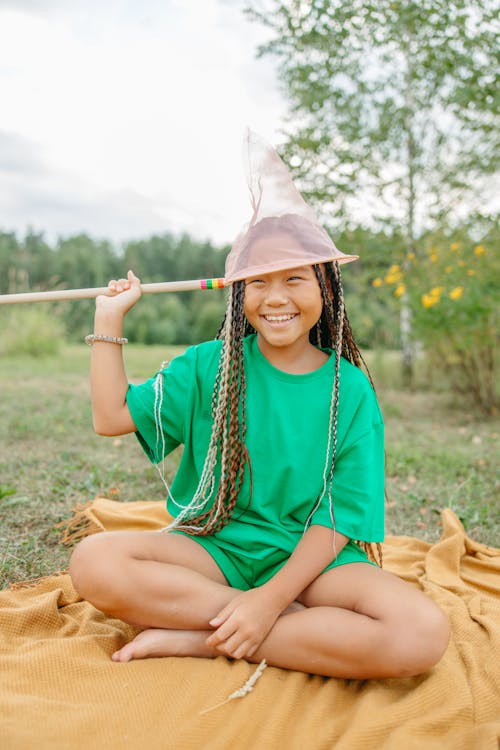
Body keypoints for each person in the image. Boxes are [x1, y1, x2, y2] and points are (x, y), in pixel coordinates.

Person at [69, 134, 450, 678]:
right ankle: (261, 627)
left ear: (326, 288)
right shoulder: (207, 366)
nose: (275, 298)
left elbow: (338, 517)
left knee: (421, 633)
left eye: (295, 278)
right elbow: (110, 418)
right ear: (237, 294)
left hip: (315, 564)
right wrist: (109, 322)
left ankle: (205, 639)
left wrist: (270, 600)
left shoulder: (350, 389)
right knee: (95, 563)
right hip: (215, 549)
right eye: (258, 283)